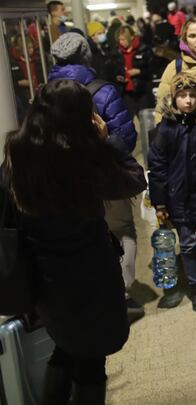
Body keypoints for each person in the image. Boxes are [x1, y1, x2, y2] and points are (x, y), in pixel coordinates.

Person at [4, 79, 146, 403]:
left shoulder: (17, 152)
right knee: (91, 362)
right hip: (89, 275)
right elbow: (134, 179)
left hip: (43, 277)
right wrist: (105, 142)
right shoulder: (82, 156)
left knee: (65, 349)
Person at [47, 33, 143, 319]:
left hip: (66, 182)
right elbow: (124, 139)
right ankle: (122, 295)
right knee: (122, 230)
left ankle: (94, 295)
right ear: (86, 56)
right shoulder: (103, 91)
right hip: (105, 177)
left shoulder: (45, 92)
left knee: (83, 235)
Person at [147, 73, 196, 311]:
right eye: (182, 95)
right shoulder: (164, 130)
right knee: (188, 244)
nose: (188, 100)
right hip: (177, 197)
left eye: (192, 95)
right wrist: (160, 203)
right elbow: (157, 168)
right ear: (173, 98)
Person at [114, 24, 152, 120]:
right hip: (126, 93)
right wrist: (118, 77)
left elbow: (152, 69)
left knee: (145, 121)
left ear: (131, 37)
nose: (121, 42)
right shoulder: (117, 53)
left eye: (124, 39)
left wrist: (139, 71)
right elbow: (114, 70)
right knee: (127, 122)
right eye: (120, 40)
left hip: (141, 92)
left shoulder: (144, 50)